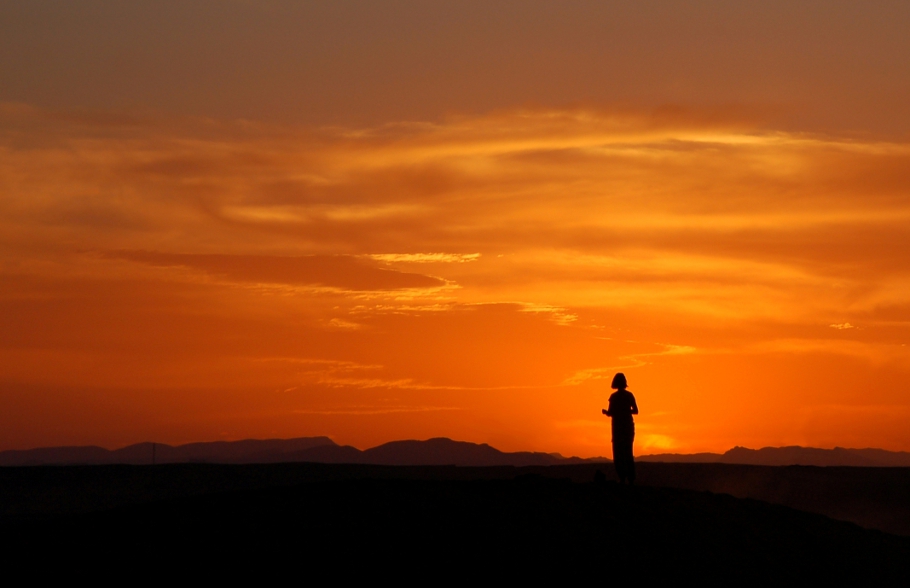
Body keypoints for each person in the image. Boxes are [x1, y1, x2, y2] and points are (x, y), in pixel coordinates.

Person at [602, 372, 638, 484]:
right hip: (627, 426)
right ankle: (630, 478)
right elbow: (636, 411)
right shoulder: (629, 395)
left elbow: (611, 412)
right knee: (627, 452)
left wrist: (606, 412)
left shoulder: (614, 397)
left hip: (619, 427)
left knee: (618, 453)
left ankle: (623, 477)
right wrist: (625, 411)